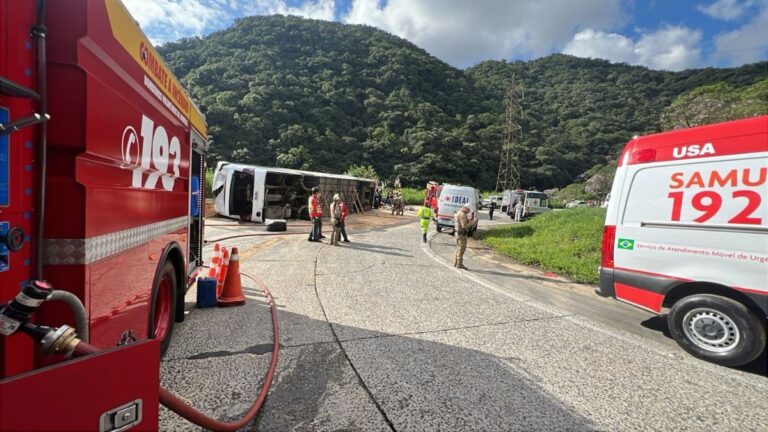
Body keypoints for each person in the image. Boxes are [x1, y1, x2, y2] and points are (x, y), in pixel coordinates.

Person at [453, 204, 477, 270]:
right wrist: (473, 222)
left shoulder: (458, 213)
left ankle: (456, 262)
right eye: (468, 210)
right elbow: (465, 226)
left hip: (458, 233)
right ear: (466, 208)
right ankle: (459, 264)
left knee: (458, 248)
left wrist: (468, 221)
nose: (468, 212)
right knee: (461, 249)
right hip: (461, 234)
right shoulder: (462, 215)